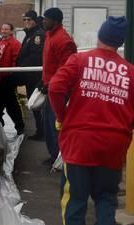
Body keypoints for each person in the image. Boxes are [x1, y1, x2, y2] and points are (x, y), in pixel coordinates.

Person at [48, 16, 132, 225]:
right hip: (114, 144)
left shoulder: (80, 60)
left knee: (75, 199)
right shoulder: (130, 72)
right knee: (106, 198)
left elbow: (55, 88)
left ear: (100, 35)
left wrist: (62, 117)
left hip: (79, 142)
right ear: (120, 41)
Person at [41, 7, 77, 165]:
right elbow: (49, 63)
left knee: (55, 124)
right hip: (49, 86)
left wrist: (53, 85)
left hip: (58, 91)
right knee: (48, 124)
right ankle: (53, 154)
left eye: (46, 19)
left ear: (55, 22)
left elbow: (66, 69)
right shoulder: (49, 35)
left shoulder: (63, 40)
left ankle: (59, 158)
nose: (43, 21)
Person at [15, 10, 45, 141]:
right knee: (34, 106)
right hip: (29, 75)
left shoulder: (37, 35)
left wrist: (20, 68)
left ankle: (42, 132)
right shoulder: (30, 34)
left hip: (35, 76)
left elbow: (35, 57)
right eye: (24, 19)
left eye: (29, 20)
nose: (26, 22)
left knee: (36, 105)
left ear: (35, 21)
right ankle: (41, 131)